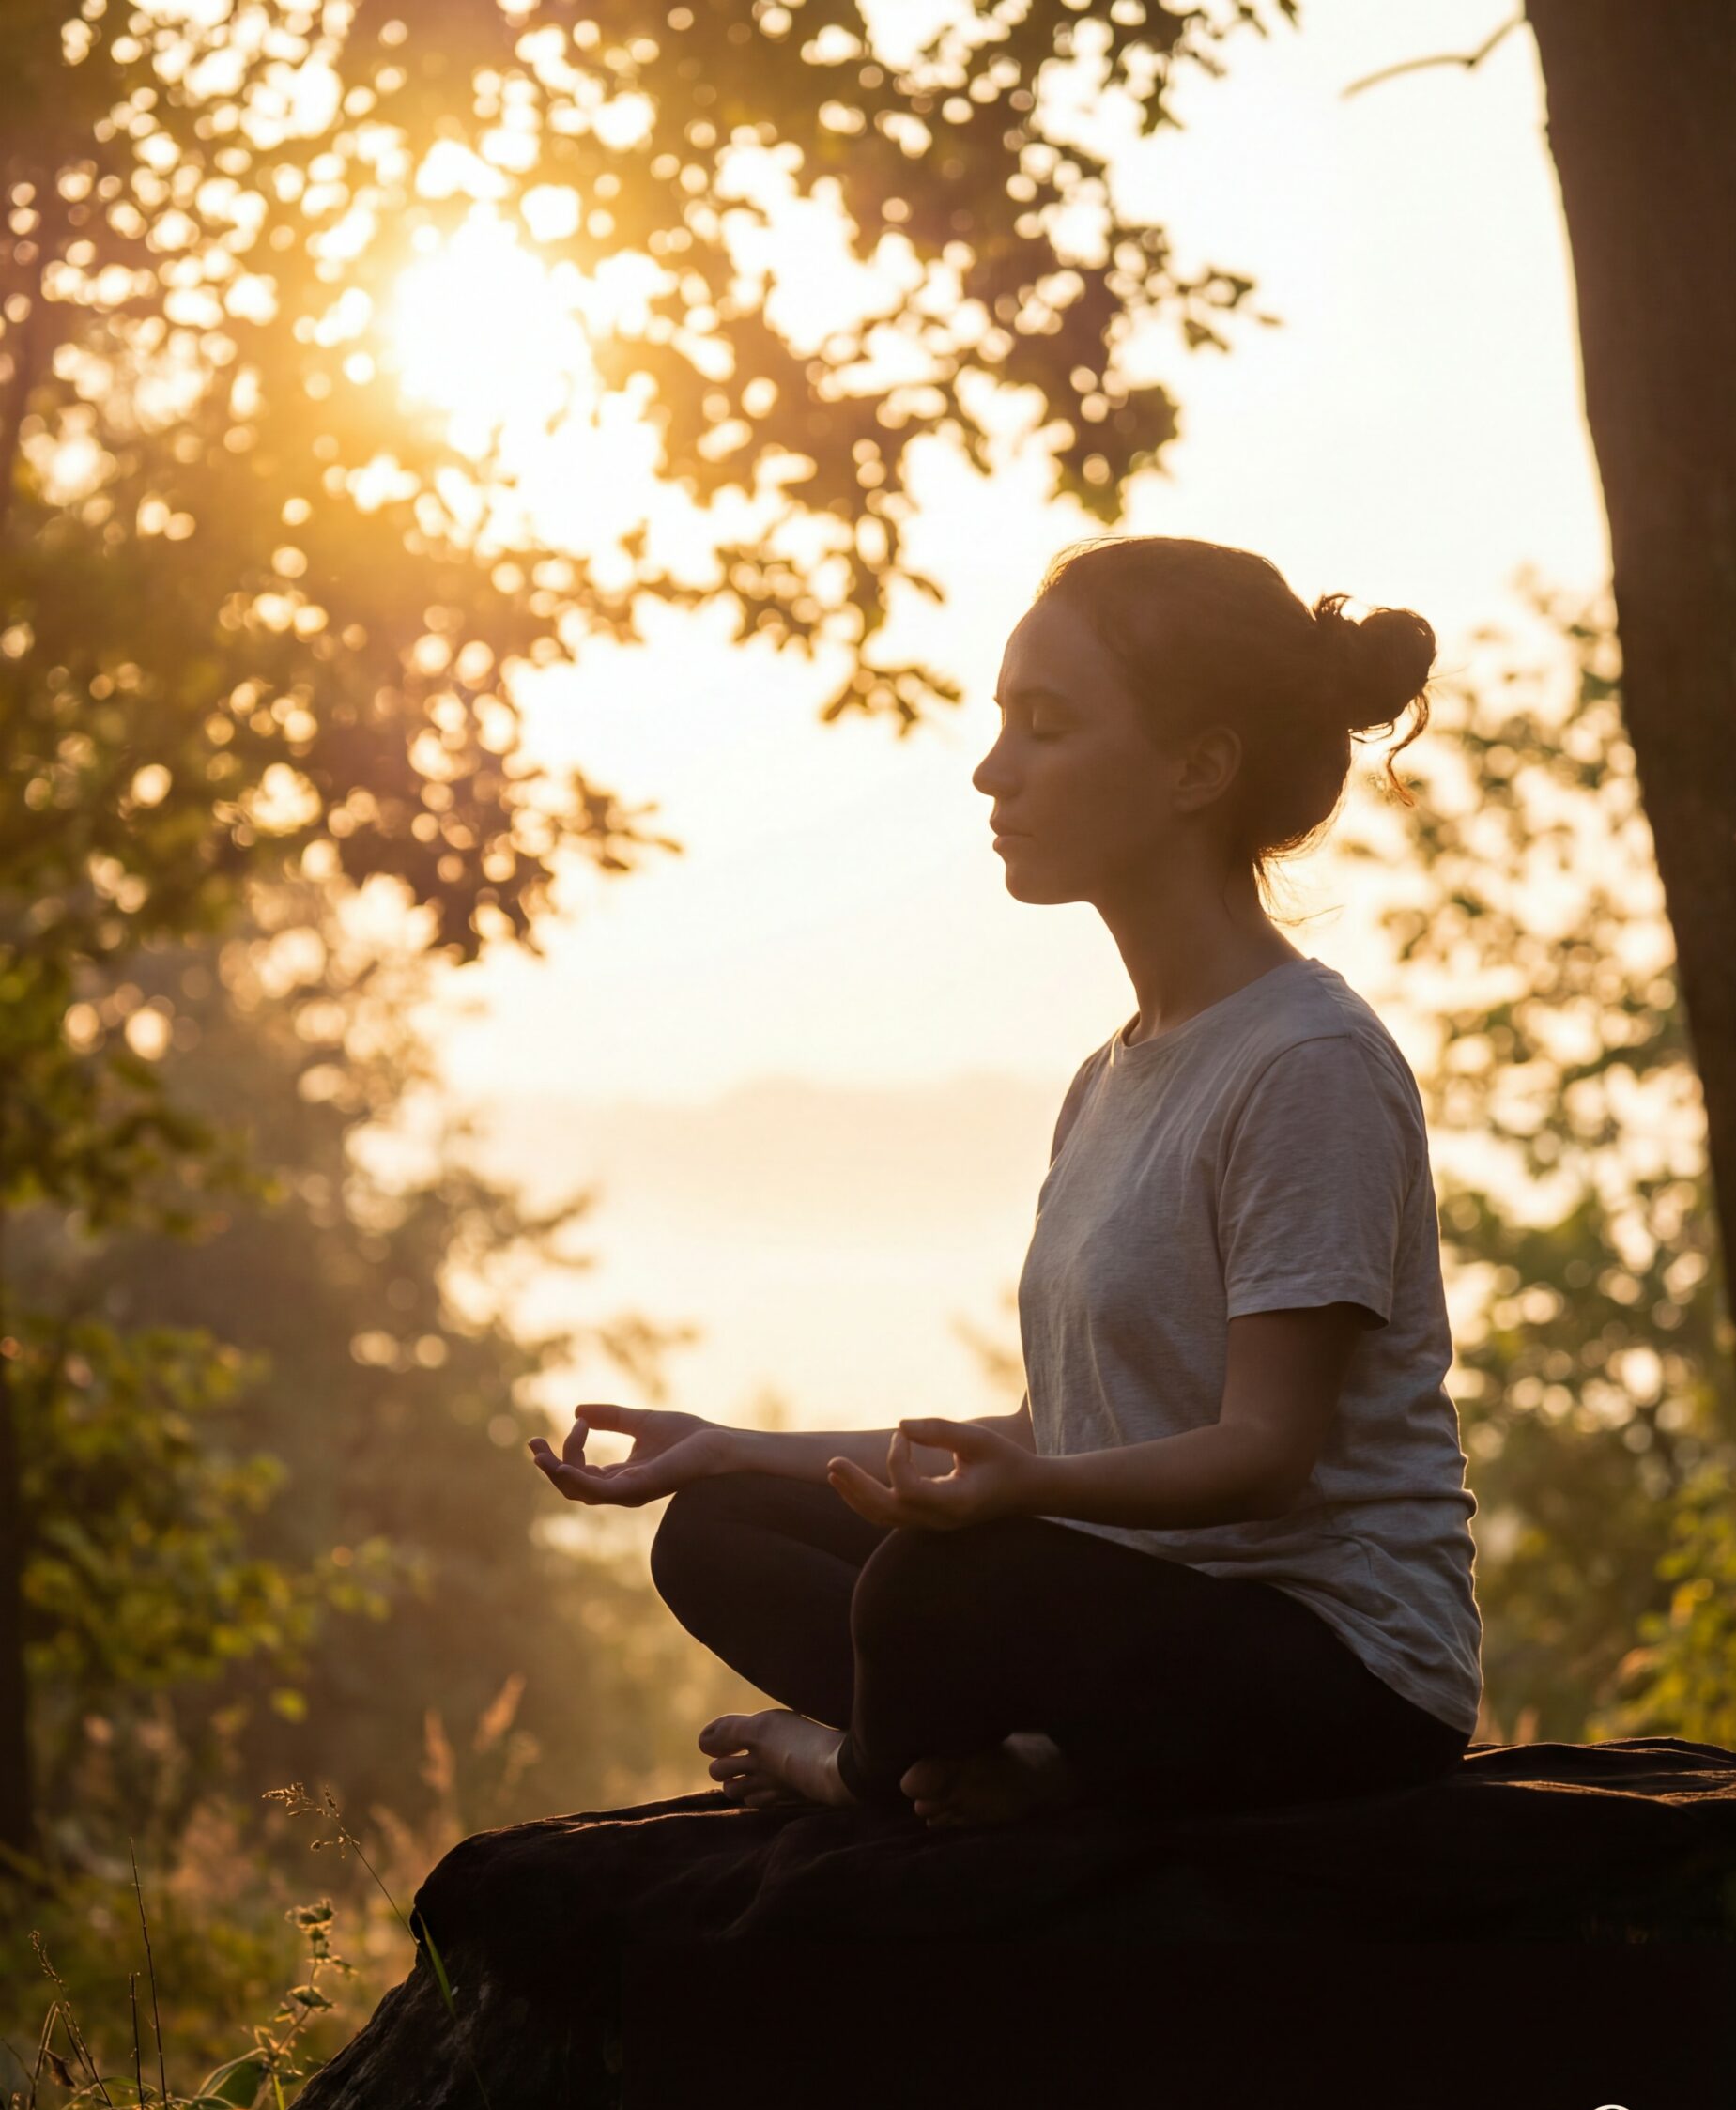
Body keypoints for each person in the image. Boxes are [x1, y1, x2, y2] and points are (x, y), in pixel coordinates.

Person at [530, 535, 1482, 1831]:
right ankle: (1009, 1768)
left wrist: (1019, 1499)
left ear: (1199, 767)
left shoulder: (1308, 1064)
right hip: (1127, 1615)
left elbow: (1264, 1456)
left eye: (1045, 725)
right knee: (720, 1529)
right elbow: (1067, 1435)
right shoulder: (1113, 1077)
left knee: (939, 1593)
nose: (992, 770)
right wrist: (732, 1443)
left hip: (1334, 1675)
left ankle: (853, 1770)